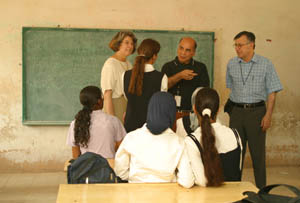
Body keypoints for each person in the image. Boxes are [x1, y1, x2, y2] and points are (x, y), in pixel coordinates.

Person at [226, 31, 283, 188]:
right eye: (235, 45)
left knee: (258, 156)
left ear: (251, 45)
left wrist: (268, 115)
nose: (237, 49)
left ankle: (262, 191)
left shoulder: (266, 64)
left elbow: (272, 92)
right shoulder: (231, 64)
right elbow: (231, 88)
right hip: (236, 112)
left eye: (240, 45)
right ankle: (233, 189)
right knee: (235, 153)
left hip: (257, 112)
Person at [114, 92, 194, 188]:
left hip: (135, 196)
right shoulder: (179, 142)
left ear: (150, 110)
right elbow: (187, 181)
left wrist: (134, 178)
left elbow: (120, 172)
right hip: (167, 196)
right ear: (172, 113)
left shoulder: (131, 137)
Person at [185, 87, 242, 187]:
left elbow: (202, 181)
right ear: (219, 109)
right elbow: (238, 171)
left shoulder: (191, 141)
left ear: (194, 108)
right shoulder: (235, 134)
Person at [66, 86, 126, 159]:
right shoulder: (113, 121)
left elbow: (75, 155)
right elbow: (123, 148)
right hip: (107, 167)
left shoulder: (76, 123)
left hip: (86, 168)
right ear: (99, 101)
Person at [161, 37, 210, 125]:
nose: (183, 53)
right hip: (170, 114)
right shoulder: (167, 67)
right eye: (181, 48)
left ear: (193, 53)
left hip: (192, 116)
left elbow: (205, 93)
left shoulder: (200, 68)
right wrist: (180, 76)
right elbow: (163, 87)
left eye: (187, 50)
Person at [122, 38, 168, 133]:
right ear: (154, 56)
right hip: (151, 128)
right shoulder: (161, 77)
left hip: (130, 127)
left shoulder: (125, 75)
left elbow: (128, 98)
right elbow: (160, 103)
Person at [101, 31, 137, 123]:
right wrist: (112, 120)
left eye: (132, 43)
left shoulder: (129, 64)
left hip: (127, 107)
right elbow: (107, 95)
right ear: (119, 43)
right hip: (114, 106)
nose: (130, 46)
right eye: (127, 42)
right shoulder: (110, 64)